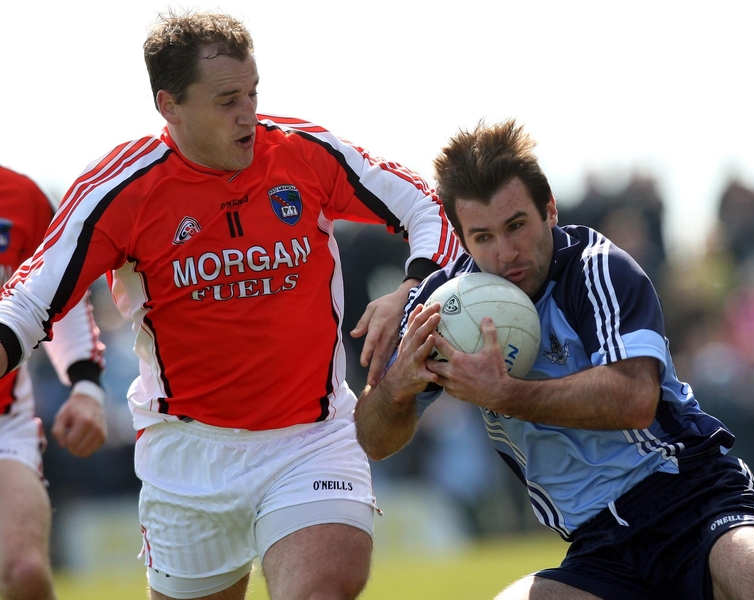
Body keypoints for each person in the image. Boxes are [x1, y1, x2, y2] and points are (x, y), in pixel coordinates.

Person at [0, 10, 459, 600]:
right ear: (169, 106)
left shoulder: (305, 152)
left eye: (253, 92)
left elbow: (428, 208)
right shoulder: (119, 190)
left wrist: (409, 292)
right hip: (187, 456)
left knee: (323, 589)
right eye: (226, 100)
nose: (249, 113)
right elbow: (31, 299)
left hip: (310, 438)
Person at [354, 119, 754, 599]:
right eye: (482, 237)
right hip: (598, 547)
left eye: (516, 225)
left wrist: (505, 394)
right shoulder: (448, 306)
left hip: (694, 500)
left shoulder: (597, 268)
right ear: (461, 238)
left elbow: (633, 399)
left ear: (549, 210)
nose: (505, 253)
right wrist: (397, 386)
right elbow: (372, 440)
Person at [0, 165, 107, 600]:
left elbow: (54, 298)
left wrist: (85, 385)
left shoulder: (21, 196)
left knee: (25, 572)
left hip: (5, 417)